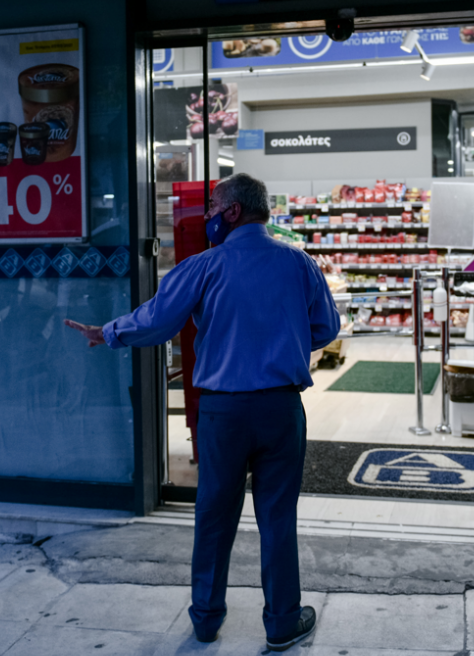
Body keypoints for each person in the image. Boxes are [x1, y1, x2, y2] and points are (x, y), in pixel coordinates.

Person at [65, 173, 341, 651]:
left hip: (221, 413)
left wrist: (106, 332)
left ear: (233, 212)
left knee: (214, 516)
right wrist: (284, 342)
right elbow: (326, 327)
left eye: (214, 207)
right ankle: (281, 622)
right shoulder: (300, 264)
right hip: (281, 409)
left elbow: (156, 321)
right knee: (278, 518)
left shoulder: (203, 266)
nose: (209, 215)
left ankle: (207, 619)